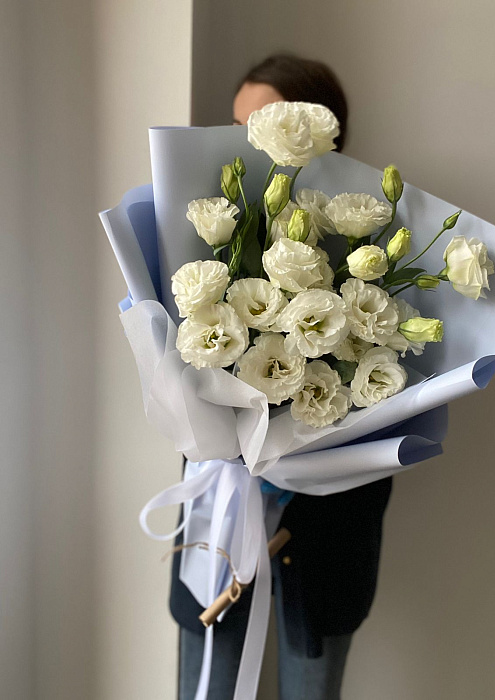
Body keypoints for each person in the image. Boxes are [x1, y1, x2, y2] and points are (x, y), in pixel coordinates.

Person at [171, 54, 393, 700]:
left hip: (324, 545)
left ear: (322, 137)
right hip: (216, 526)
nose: (248, 144)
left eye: (265, 126)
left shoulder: (369, 258)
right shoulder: (204, 253)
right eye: (238, 127)